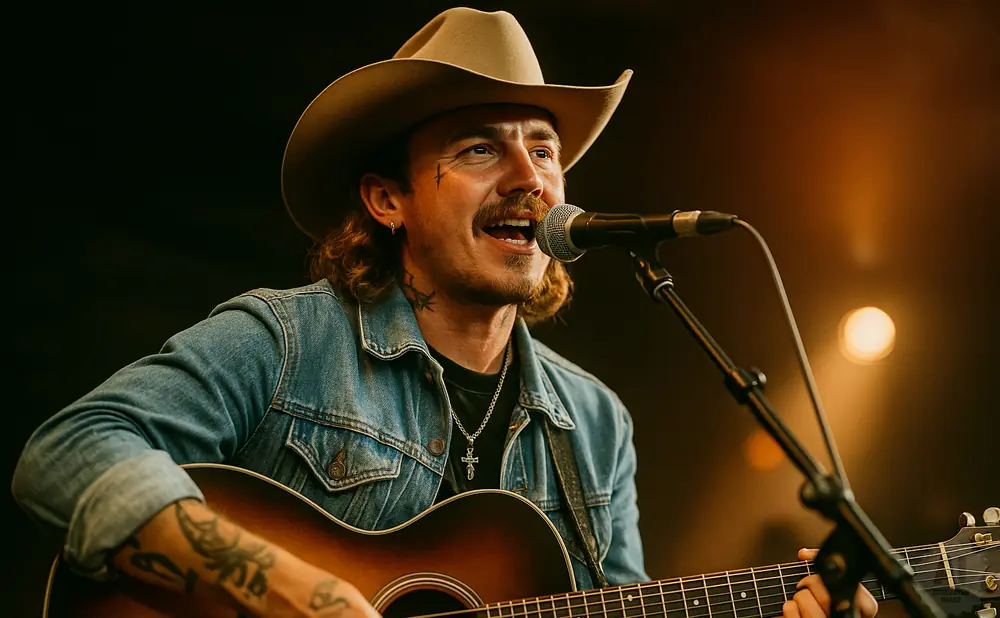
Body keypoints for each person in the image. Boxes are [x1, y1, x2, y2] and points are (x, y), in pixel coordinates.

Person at [12, 7, 877, 618]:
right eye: (478, 148)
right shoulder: (287, 342)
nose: (529, 176)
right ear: (388, 200)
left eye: (544, 149)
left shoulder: (596, 424)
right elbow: (66, 452)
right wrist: (291, 588)